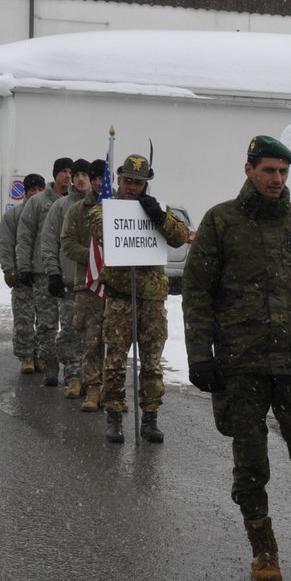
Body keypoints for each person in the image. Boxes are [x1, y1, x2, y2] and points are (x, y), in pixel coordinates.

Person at [182, 134, 291, 581]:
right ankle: (264, 552)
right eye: (268, 171)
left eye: (283, 172)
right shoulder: (221, 222)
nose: (277, 179)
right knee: (251, 463)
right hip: (241, 365)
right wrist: (201, 354)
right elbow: (198, 293)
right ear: (249, 170)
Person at [97, 153, 188, 444]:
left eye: (139, 183)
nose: (132, 187)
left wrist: (159, 217)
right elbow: (99, 231)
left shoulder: (159, 209)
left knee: (151, 362)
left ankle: (150, 417)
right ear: (119, 180)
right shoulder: (106, 210)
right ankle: (114, 415)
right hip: (121, 297)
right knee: (115, 361)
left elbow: (179, 236)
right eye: (128, 181)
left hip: (151, 300)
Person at [36, 159, 93, 394]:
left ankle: (91, 378)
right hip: (71, 282)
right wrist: (53, 274)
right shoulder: (61, 207)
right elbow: (49, 243)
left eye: (84, 174)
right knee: (70, 331)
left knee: (93, 334)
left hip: (97, 283)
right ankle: (72, 376)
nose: (79, 178)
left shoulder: (103, 206)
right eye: (76, 174)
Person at [59, 161, 109, 413]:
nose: (99, 183)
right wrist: (92, 256)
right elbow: (66, 242)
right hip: (87, 284)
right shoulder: (78, 211)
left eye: (103, 178)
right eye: (95, 178)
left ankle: (112, 390)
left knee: (115, 341)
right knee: (89, 339)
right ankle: (91, 386)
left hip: (116, 286)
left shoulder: (121, 209)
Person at [14, 157, 73, 368]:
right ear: (55, 173)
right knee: (46, 323)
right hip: (43, 271)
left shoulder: (75, 202)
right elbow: (25, 236)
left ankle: (70, 367)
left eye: (70, 171)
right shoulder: (37, 202)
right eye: (64, 171)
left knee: (69, 324)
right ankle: (45, 361)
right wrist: (24, 267)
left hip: (68, 271)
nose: (68, 175)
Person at [0, 173, 47, 370]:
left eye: (39, 189)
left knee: (45, 319)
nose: (36, 193)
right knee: (23, 318)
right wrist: (9, 269)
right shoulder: (13, 216)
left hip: (43, 274)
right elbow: (5, 244)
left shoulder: (49, 212)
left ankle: (42, 355)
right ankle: (26, 356)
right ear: (25, 192)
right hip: (21, 275)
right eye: (32, 189)